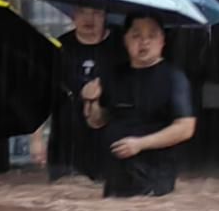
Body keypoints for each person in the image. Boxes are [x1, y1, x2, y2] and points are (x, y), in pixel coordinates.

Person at [81, 13, 196, 198]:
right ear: (126, 40)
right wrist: (91, 100)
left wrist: (141, 144)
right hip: (116, 177)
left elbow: (186, 128)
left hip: (154, 178)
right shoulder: (115, 75)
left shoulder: (173, 78)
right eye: (136, 36)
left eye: (151, 36)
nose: (144, 42)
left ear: (162, 41)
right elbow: (97, 121)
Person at [31, 6, 126, 182]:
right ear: (73, 15)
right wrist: (36, 140)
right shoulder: (58, 49)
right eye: (83, 11)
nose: (89, 19)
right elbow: (41, 95)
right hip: (66, 143)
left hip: (109, 143)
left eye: (96, 12)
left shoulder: (121, 47)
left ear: (106, 15)